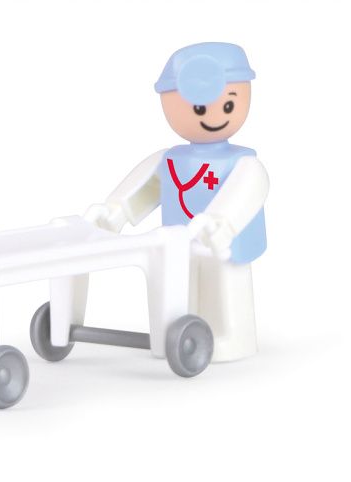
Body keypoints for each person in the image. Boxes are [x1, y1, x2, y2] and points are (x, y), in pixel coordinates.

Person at [87, 42, 269, 362]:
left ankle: (231, 339)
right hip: (178, 242)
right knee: (178, 292)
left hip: (222, 246)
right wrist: (116, 212)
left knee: (224, 289)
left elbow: (248, 190)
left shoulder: (243, 163)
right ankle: (177, 338)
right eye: (198, 108)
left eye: (228, 104)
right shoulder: (172, 160)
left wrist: (222, 224)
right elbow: (145, 187)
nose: (212, 116)